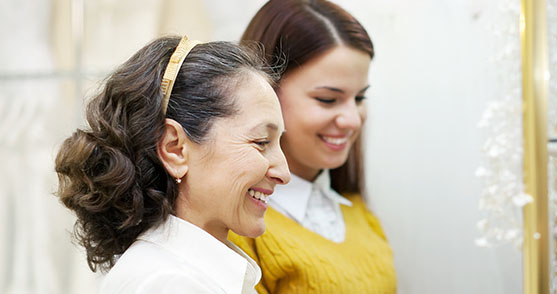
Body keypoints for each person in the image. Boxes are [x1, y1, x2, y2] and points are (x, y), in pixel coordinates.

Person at [54, 35, 290, 294]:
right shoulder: (167, 282)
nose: (283, 172)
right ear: (174, 148)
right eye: (260, 142)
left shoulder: (191, 274)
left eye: (279, 143)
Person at [227, 0, 397, 293]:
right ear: (264, 93)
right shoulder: (238, 229)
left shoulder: (356, 212)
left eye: (359, 98)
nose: (353, 119)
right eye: (328, 100)